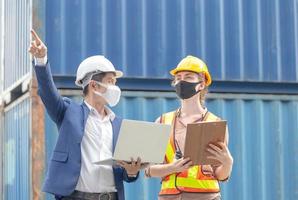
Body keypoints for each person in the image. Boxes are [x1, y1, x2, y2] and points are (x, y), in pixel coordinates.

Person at [28, 29, 142, 200]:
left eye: (115, 82)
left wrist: (132, 172)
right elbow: (48, 92)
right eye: (110, 81)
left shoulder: (119, 125)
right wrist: (41, 60)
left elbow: (124, 174)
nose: (115, 87)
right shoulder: (68, 112)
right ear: (94, 86)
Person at [145, 55, 233, 200]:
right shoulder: (162, 121)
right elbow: (148, 170)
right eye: (178, 77)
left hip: (206, 197)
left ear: (202, 84)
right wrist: (172, 168)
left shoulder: (215, 123)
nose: (181, 81)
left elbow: (219, 174)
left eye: (188, 77)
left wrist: (228, 163)